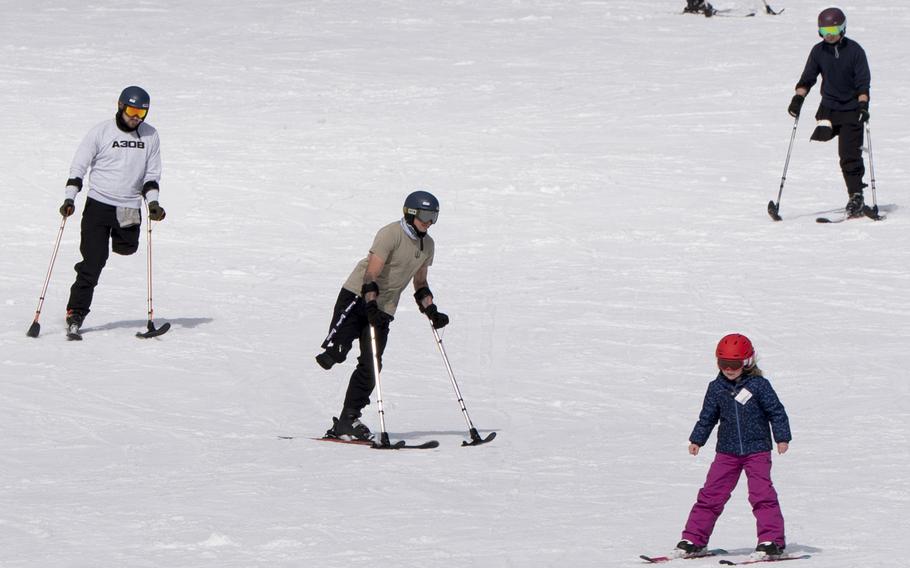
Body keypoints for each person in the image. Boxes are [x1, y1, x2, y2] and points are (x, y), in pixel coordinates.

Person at [315, 190, 449, 441]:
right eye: (425, 216)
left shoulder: (428, 245)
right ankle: (334, 350)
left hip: (384, 308)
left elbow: (420, 283)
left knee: (372, 364)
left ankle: (348, 419)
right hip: (358, 296)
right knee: (336, 352)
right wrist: (370, 306)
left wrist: (431, 310)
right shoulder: (390, 234)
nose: (429, 222)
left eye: (434, 217)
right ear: (410, 213)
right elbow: (371, 276)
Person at [59, 86, 165, 336]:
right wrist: (69, 198)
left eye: (141, 112)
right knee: (93, 261)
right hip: (98, 205)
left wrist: (153, 204)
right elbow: (79, 166)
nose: (135, 117)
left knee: (127, 248)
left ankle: (120, 241)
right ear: (120, 106)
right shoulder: (101, 131)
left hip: (129, 207)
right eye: (131, 110)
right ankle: (76, 312)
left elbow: (152, 174)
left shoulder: (151, 136)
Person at [674, 334, 792, 560]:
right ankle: (694, 540)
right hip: (726, 451)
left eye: (734, 364)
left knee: (761, 494)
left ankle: (771, 541)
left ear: (747, 362)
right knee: (710, 494)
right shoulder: (716, 388)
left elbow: (776, 412)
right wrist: (697, 440)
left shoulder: (759, 386)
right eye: (723, 364)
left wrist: (782, 438)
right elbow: (707, 417)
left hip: (757, 450)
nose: (729, 369)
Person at [787, 7, 871, 218]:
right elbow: (807, 78)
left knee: (848, 155)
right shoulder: (818, 51)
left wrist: (863, 105)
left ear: (843, 28)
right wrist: (798, 98)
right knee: (821, 135)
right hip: (829, 108)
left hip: (852, 109)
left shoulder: (855, 51)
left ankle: (856, 196)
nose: (830, 35)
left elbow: (863, 83)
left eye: (833, 29)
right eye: (824, 31)